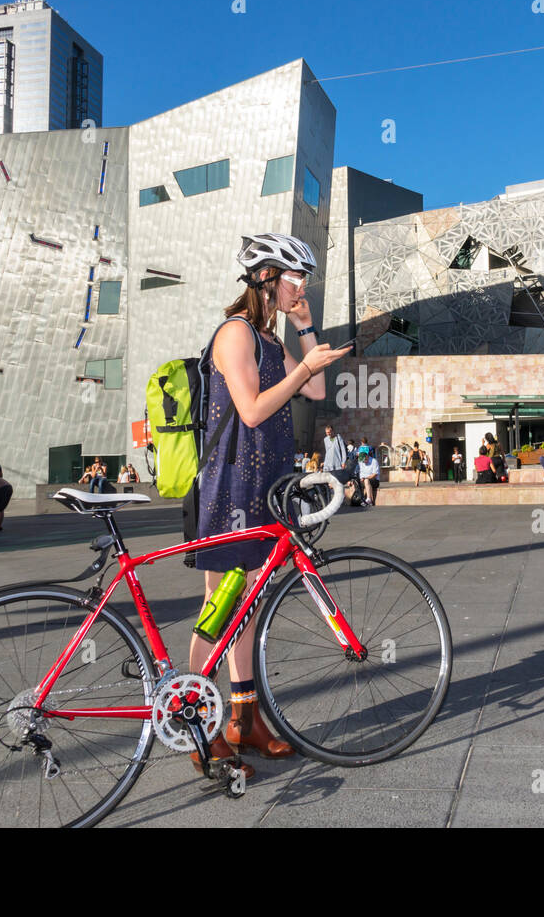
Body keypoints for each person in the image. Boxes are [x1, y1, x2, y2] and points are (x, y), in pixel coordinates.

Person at [190, 232, 349, 778]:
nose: (300, 286)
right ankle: (199, 727)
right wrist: (303, 368)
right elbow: (253, 411)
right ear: (265, 278)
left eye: (302, 279)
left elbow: (317, 392)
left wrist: (305, 331)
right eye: (293, 278)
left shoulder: (267, 338)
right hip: (231, 487)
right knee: (222, 611)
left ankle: (245, 718)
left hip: (265, 489)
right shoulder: (235, 335)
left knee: (248, 611)